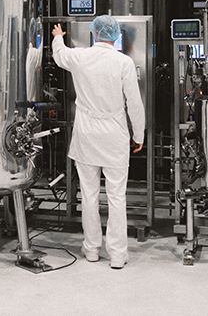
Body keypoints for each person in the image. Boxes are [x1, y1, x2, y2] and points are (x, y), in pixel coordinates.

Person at [51, 15, 145, 269]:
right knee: (116, 196)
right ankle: (117, 254)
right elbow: (134, 103)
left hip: (87, 134)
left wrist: (58, 37)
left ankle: (91, 249)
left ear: (94, 33)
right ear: (115, 36)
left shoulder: (81, 57)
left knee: (89, 194)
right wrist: (139, 135)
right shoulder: (123, 62)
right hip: (114, 136)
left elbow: (60, 56)